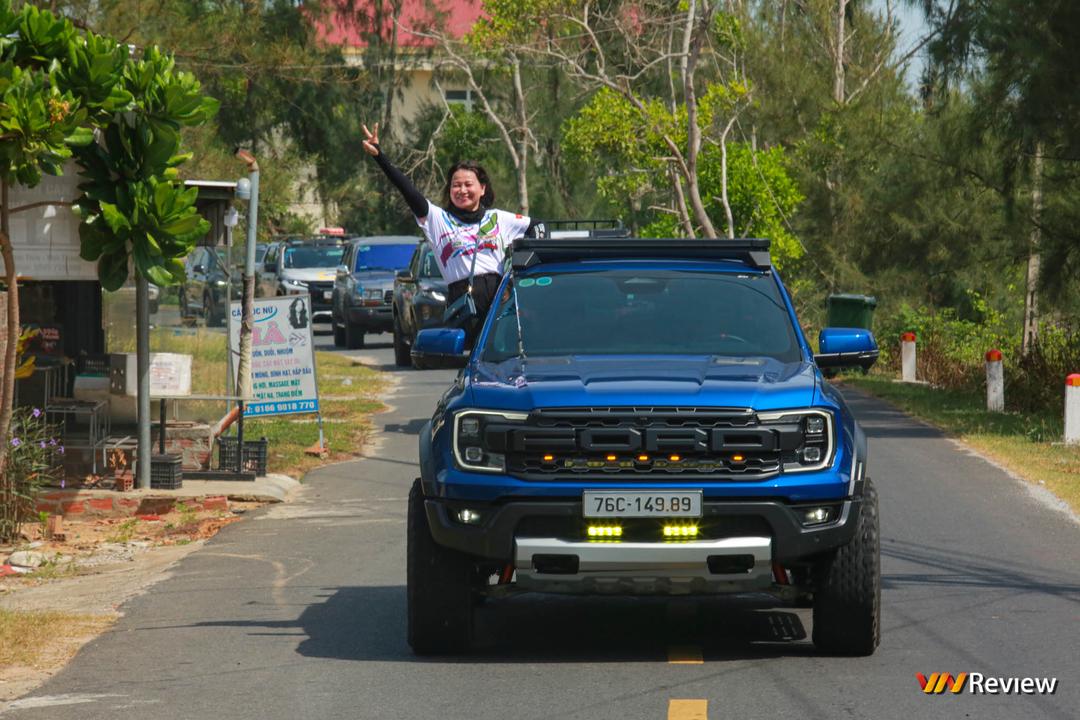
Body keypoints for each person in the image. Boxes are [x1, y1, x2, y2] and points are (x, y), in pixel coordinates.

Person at [361, 122, 541, 338]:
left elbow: (538, 227)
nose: (462, 190)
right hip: (464, 304)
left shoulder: (499, 218)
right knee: (469, 363)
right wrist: (380, 156)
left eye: (468, 184)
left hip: (500, 302)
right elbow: (407, 190)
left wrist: (521, 274)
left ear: (482, 188)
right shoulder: (438, 219)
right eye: (456, 185)